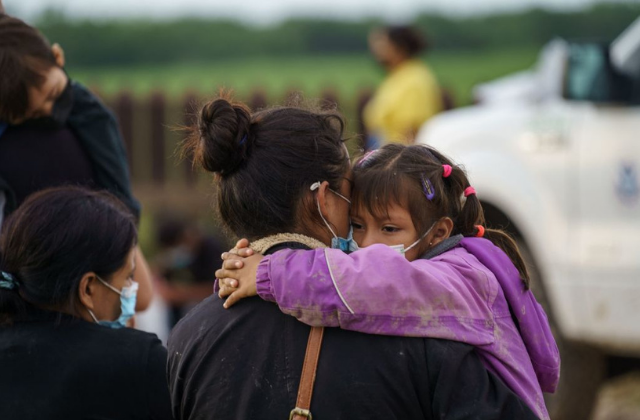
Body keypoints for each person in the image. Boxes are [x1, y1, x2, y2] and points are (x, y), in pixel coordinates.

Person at [167, 96, 539, 419]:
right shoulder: (422, 324)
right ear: (324, 200)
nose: (370, 244)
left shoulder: (188, 338)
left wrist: (263, 271)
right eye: (355, 205)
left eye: (388, 228)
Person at [0, 13, 152, 310]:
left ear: (58, 56)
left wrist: (125, 250)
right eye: (30, 116)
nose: (48, 112)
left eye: (53, 95)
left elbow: (118, 187)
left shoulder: (90, 114)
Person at [0, 187, 172, 420]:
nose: (132, 289)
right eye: (128, 277)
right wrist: (131, 348)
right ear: (88, 288)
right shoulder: (138, 362)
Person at [363, 25, 443, 149]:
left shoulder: (414, 79)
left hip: (399, 158)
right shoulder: (399, 75)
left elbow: (412, 130)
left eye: (383, 44)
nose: (376, 50)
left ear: (400, 48)